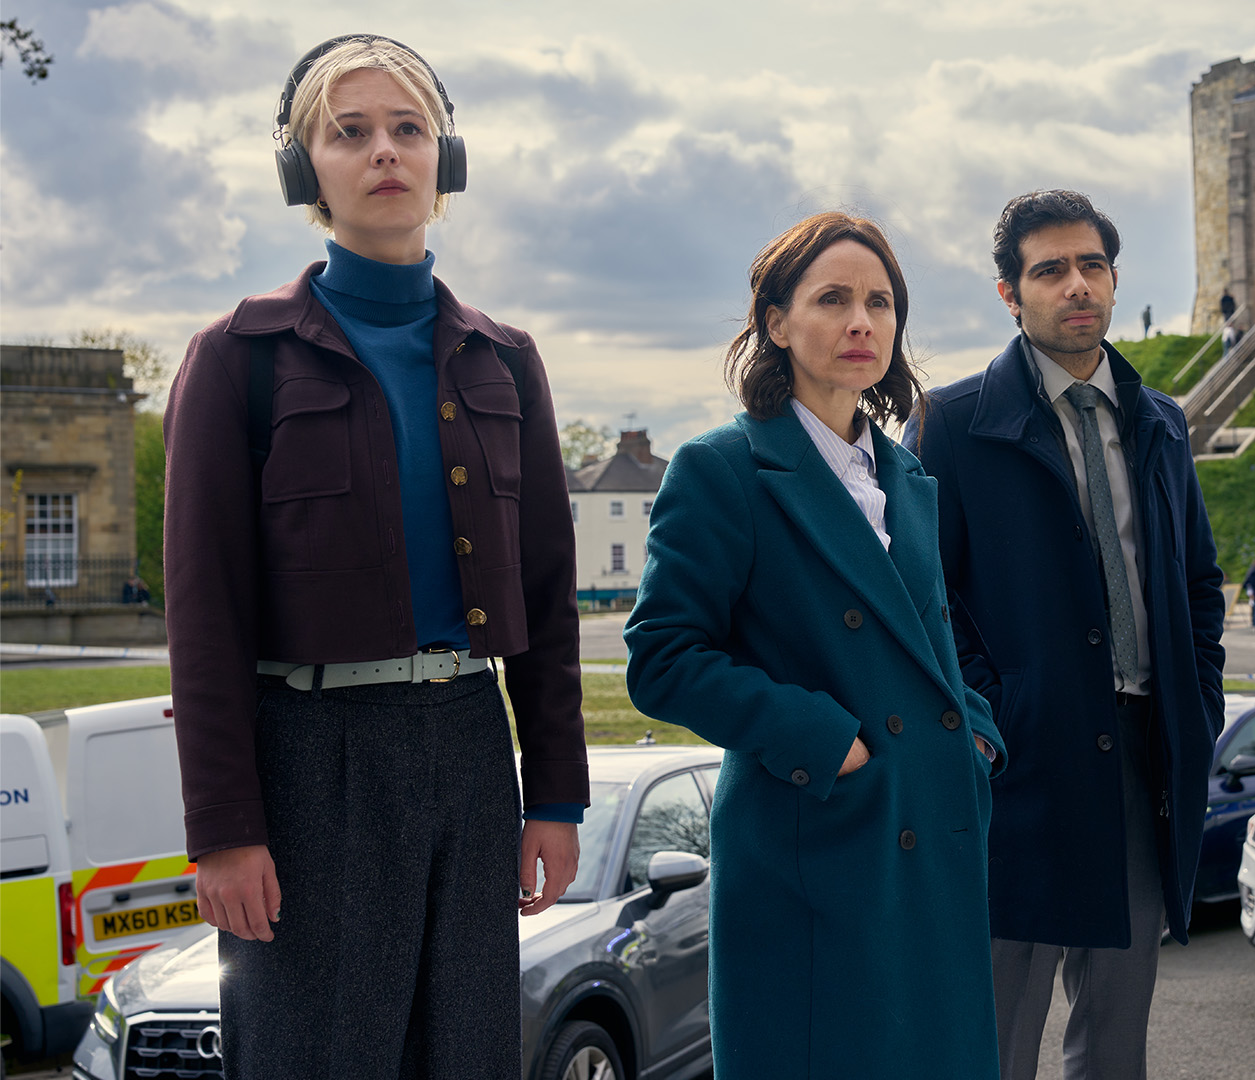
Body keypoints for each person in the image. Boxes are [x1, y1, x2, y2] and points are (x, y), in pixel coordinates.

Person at [163, 35, 586, 1078]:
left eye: (410, 130)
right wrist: (224, 830)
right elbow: (202, 615)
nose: (384, 152)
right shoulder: (236, 360)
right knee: (319, 1058)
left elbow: (546, 595)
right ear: (306, 169)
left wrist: (557, 796)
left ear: (447, 161)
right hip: (311, 758)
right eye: (349, 133)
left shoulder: (507, 359)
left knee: (469, 1057)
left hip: (469, 749)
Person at [625, 212, 1006, 1080]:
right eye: (832, 299)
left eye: (880, 302)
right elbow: (662, 658)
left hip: (931, 834)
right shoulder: (723, 468)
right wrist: (824, 741)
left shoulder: (906, 478)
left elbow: (931, 643)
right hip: (817, 842)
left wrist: (976, 735)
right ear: (775, 322)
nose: (861, 321)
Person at [905, 190, 1226, 1080]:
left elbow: (1197, 584)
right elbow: (923, 602)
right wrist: (989, 711)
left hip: (1141, 755)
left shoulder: (1160, 419)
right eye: (1050, 271)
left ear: (1115, 279)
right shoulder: (951, 424)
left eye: (1091, 266)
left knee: (1116, 1039)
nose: (1075, 286)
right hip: (1019, 764)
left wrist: (1193, 696)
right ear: (1011, 294)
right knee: (996, 1039)